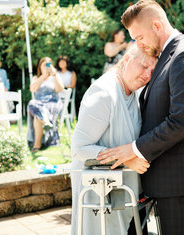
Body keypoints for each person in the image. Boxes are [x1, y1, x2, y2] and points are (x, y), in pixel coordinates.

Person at [97, 0, 184, 235]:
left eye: (139, 37)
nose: (137, 44)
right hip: (166, 180)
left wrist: (134, 149)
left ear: (157, 27)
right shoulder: (166, 57)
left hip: (180, 181)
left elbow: (181, 122)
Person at [70, 44, 156, 235]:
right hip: (100, 193)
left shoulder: (133, 90)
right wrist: (125, 158)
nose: (147, 75)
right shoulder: (103, 93)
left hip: (128, 190)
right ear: (126, 60)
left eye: (152, 71)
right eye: (143, 66)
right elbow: (80, 148)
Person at [27, 57, 64, 152]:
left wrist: (54, 75)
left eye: (49, 64)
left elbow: (59, 89)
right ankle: (46, 121)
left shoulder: (55, 76)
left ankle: (36, 145)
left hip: (52, 103)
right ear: (40, 67)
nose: (47, 67)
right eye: (45, 65)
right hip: (39, 104)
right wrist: (43, 76)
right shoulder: (36, 78)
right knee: (32, 103)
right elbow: (33, 89)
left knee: (37, 117)